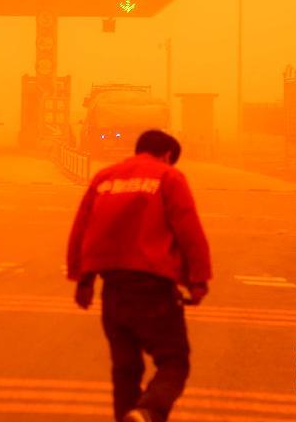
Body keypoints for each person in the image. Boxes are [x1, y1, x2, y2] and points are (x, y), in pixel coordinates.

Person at [66, 130, 212, 422]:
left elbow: (83, 228)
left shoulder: (105, 178)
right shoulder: (168, 177)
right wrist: (198, 279)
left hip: (113, 291)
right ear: (167, 155)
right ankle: (149, 411)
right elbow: (188, 229)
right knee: (174, 362)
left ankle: (128, 417)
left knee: (125, 369)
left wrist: (83, 281)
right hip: (153, 288)